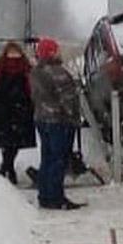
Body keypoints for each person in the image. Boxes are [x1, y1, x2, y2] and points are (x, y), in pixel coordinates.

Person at [30, 38, 86, 210]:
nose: (60, 52)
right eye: (57, 49)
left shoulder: (36, 72)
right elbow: (68, 100)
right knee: (58, 159)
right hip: (59, 121)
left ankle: (45, 195)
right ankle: (56, 197)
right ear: (52, 52)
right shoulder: (58, 72)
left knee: (47, 158)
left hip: (42, 119)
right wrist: (75, 119)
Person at [0, 41, 36, 184]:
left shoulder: (26, 68)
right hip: (3, 111)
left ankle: (6, 167)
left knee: (15, 143)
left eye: (16, 52)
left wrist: (28, 104)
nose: (13, 55)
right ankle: (8, 168)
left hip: (21, 111)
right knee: (7, 142)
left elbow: (32, 89)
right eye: (11, 52)